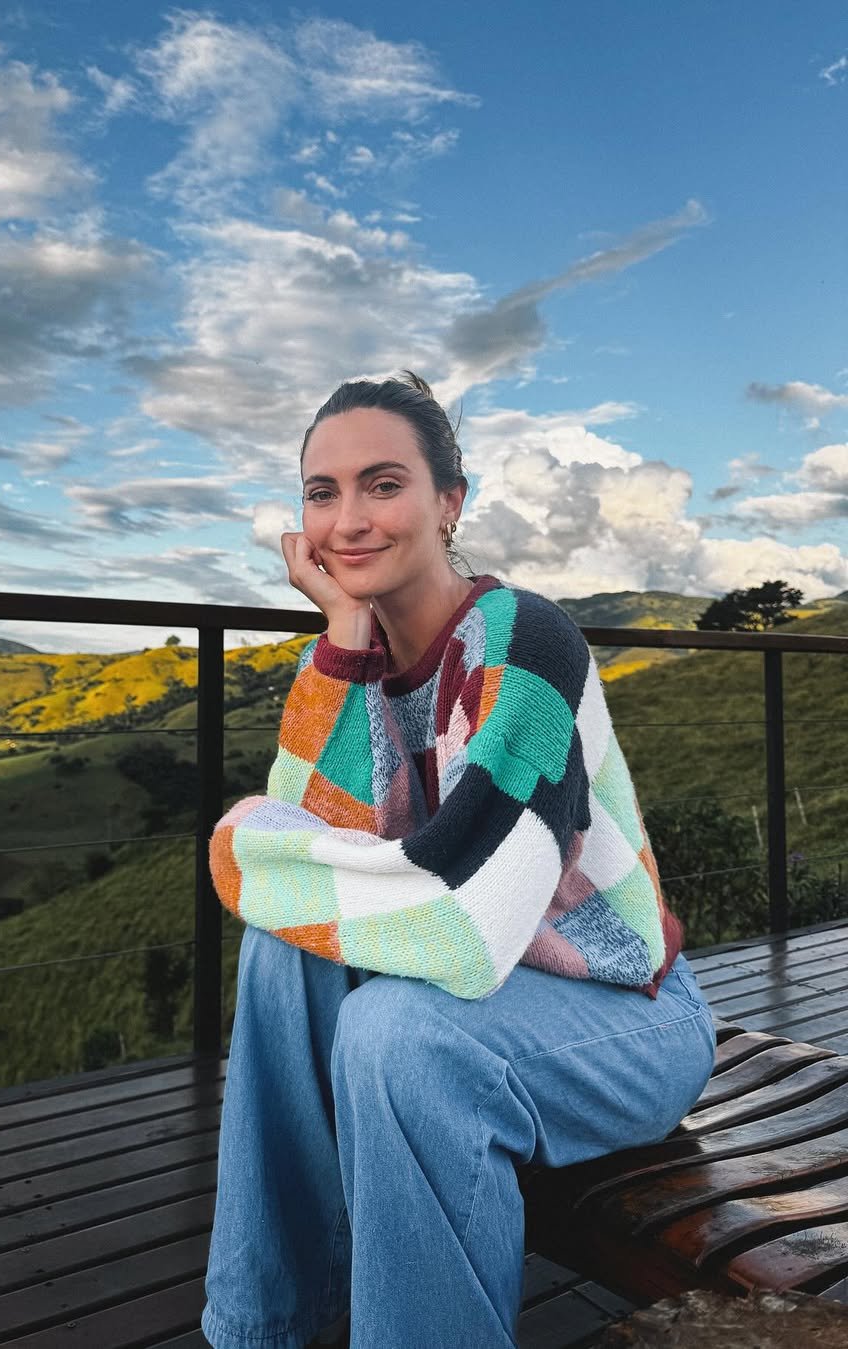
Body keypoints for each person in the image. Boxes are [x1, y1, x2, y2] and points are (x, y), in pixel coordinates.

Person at [200, 372, 716, 1349]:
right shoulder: (359, 651)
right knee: (286, 954)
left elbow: (467, 920)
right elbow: (314, 843)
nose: (348, 518)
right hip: (479, 995)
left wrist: (249, 850)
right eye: (323, 491)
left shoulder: (523, 641)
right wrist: (343, 638)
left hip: (627, 1015)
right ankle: (266, 1326)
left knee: (395, 1033)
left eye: (382, 483)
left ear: (449, 501)